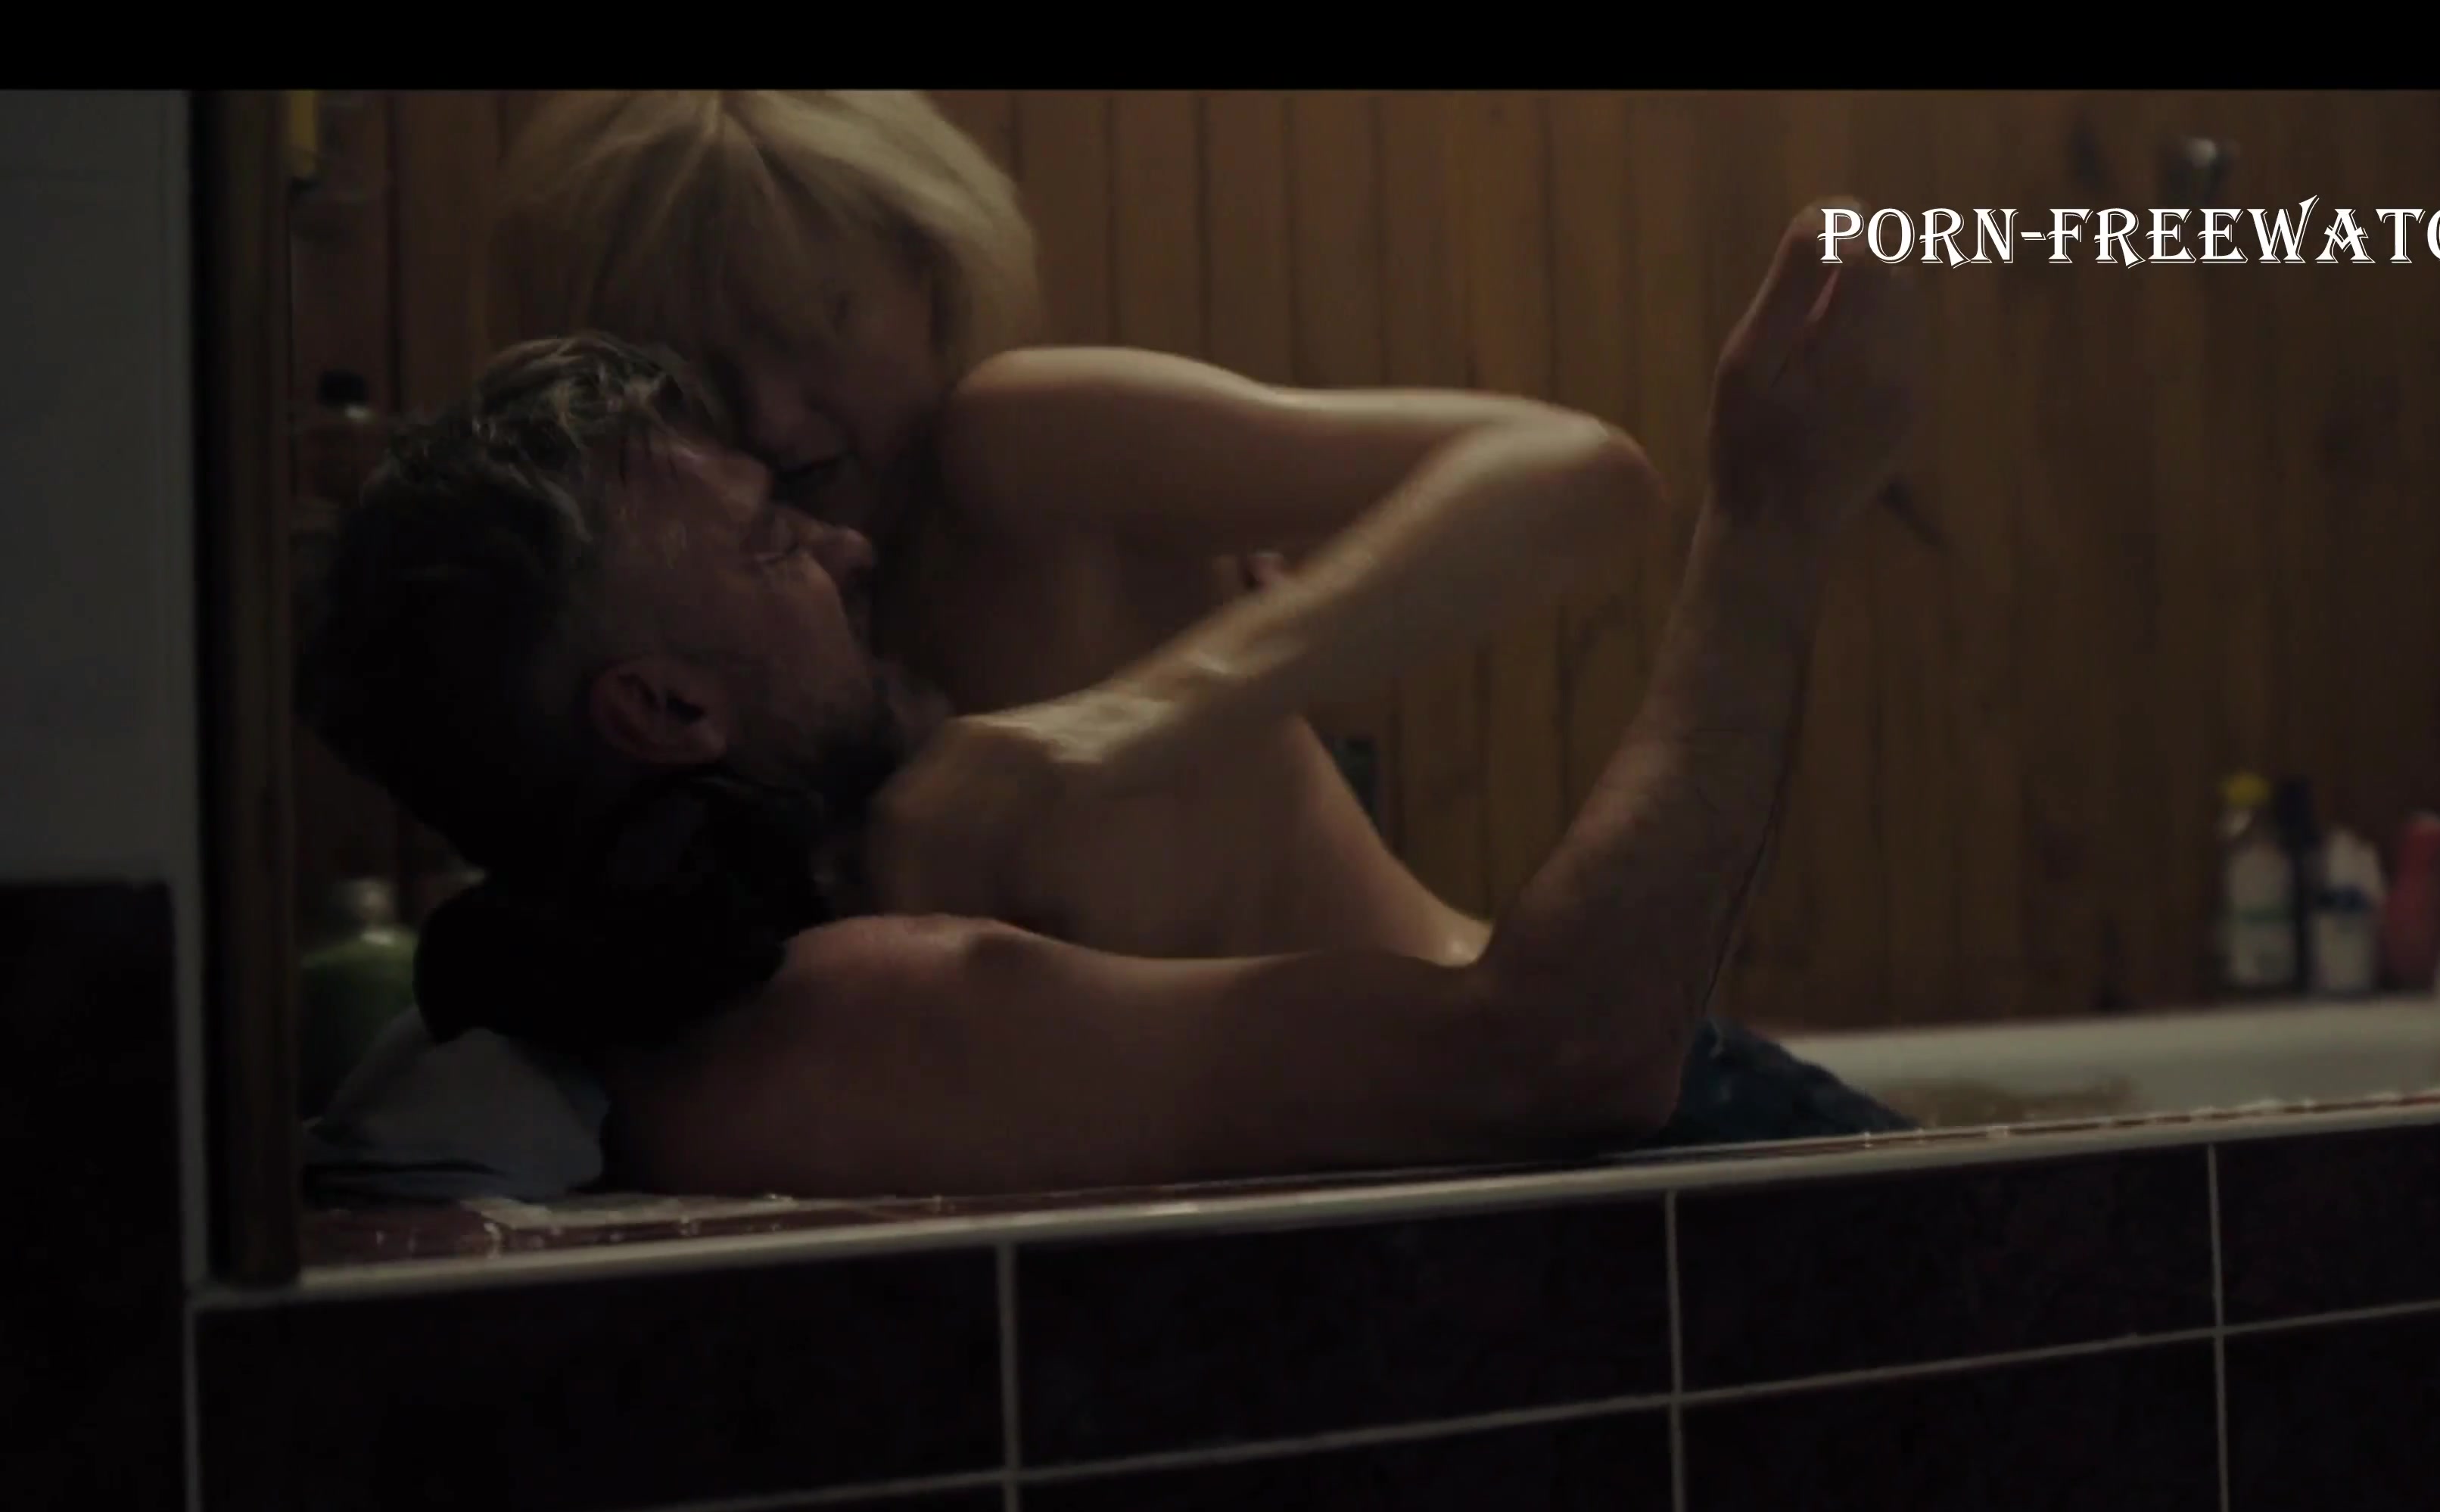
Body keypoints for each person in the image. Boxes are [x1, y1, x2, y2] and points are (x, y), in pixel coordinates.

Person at [295, 206, 1924, 1199]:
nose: (839, 537)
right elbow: (1562, 1052)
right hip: (1640, 1129)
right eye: (772, 536)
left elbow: (1568, 475)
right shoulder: (862, 1014)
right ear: (660, 709)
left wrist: (1149, 710)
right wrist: (1772, 525)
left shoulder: (644, 1004)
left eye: (817, 332)